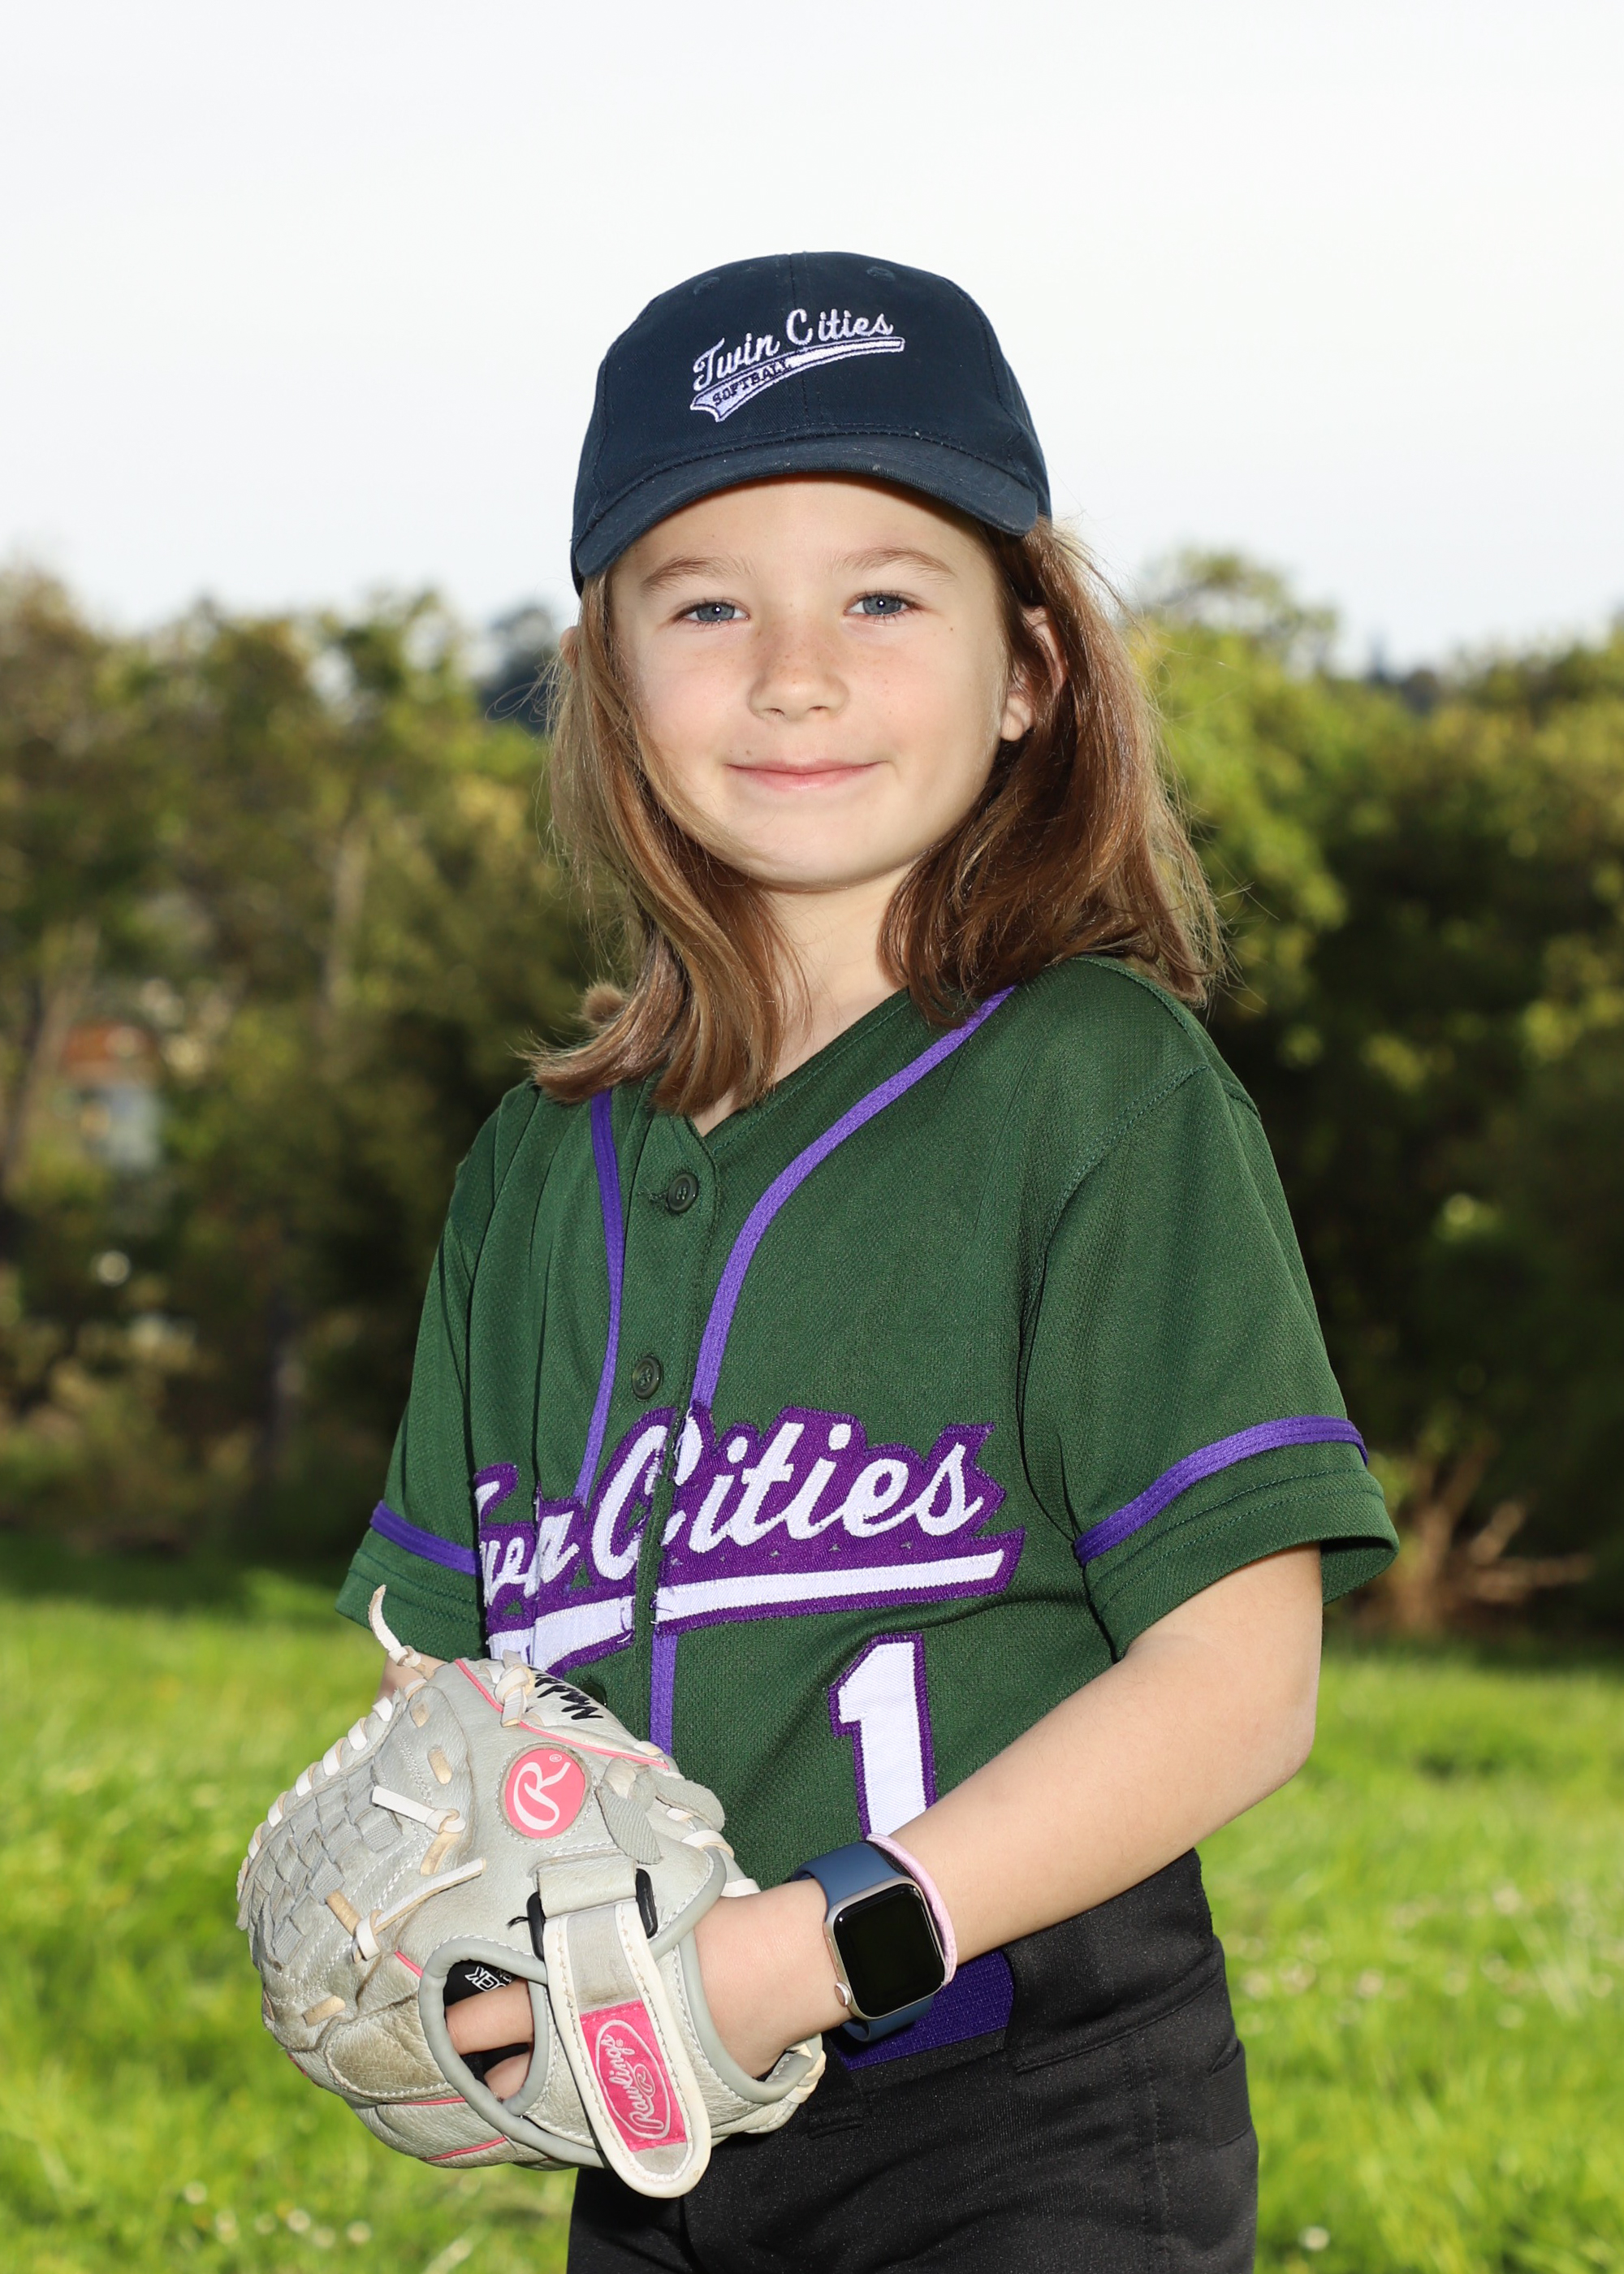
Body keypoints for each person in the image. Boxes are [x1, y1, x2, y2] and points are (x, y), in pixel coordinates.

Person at [335, 251, 1397, 2271]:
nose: (793, 673)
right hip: (656, 2131)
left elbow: (1242, 1683)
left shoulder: (1098, 1088)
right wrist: (454, 1946)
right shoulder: (530, 1172)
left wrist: (800, 1949)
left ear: (1029, 669)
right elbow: (450, 1689)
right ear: (607, 679)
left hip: (1028, 2113)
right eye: (706, 603)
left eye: (884, 597)